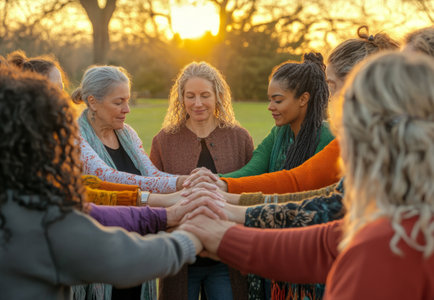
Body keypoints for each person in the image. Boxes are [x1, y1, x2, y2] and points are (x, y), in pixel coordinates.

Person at [183, 51, 434, 300]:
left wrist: (220, 212)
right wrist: (223, 224)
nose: (328, 100)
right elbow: (323, 241)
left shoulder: (386, 244)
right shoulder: (398, 222)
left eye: (333, 87)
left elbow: (314, 201)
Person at [0, 65, 207, 300]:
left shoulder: (5, 202)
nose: (126, 109)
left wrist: (184, 184)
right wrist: (193, 237)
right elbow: (106, 187)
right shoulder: (43, 217)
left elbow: (141, 181)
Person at [183, 26, 399, 196]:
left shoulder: (334, 139)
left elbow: (298, 186)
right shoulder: (281, 134)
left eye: (331, 85)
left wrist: (223, 191)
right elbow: (256, 171)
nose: (328, 95)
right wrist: (216, 183)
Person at [150, 61, 252, 300]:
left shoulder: (239, 138)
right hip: (180, 260)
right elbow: (154, 194)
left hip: (226, 261)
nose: (197, 103)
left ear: (217, 96)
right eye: (190, 96)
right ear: (181, 98)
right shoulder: (164, 140)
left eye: (205, 95)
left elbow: (249, 192)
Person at [71, 66, 189, 194]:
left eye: (127, 101)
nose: (127, 109)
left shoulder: (128, 133)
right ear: (93, 102)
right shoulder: (74, 137)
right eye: (118, 103)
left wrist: (190, 181)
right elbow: (109, 178)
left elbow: (151, 174)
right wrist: (179, 183)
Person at [218, 52, 334, 179]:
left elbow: (297, 185)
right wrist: (214, 180)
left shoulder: (327, 138)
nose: (270, 107)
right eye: (270, 100)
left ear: (303, 99)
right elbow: (252, 170)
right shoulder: (278, 133)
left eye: (278, 100)